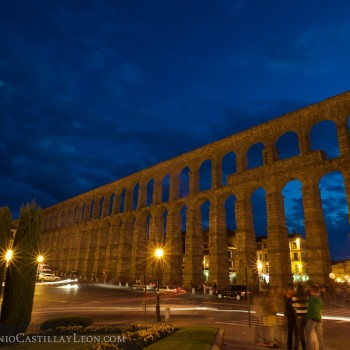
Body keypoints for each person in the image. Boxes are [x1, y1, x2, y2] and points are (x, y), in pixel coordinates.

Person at [306, 285, 324, 350]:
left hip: (311, 318)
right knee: (320, 336)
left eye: (310, 290)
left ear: (313, 291)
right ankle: (321, 348)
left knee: (308, 335)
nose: (310, 291)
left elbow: (309, 309)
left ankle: (309, 348)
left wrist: (307, 316)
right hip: (318, 318)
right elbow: (320, 309)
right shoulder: (319, 299)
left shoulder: (310, 298)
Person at [292, 284, 308, 350]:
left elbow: (294, 306)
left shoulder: (295, 296)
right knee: (308, 333)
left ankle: (303, 347)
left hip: (299, 316)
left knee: (300, 334)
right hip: (306, 316)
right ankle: (308, 346)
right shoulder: (306, 296)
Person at [284, 284, 298, 350]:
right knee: (295, 333)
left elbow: (287, 309)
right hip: (295, 317)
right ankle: (295, 347)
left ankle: (290, 347)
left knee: (291, 333)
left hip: (291, 317)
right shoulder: (295, 297)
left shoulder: (287, 298)